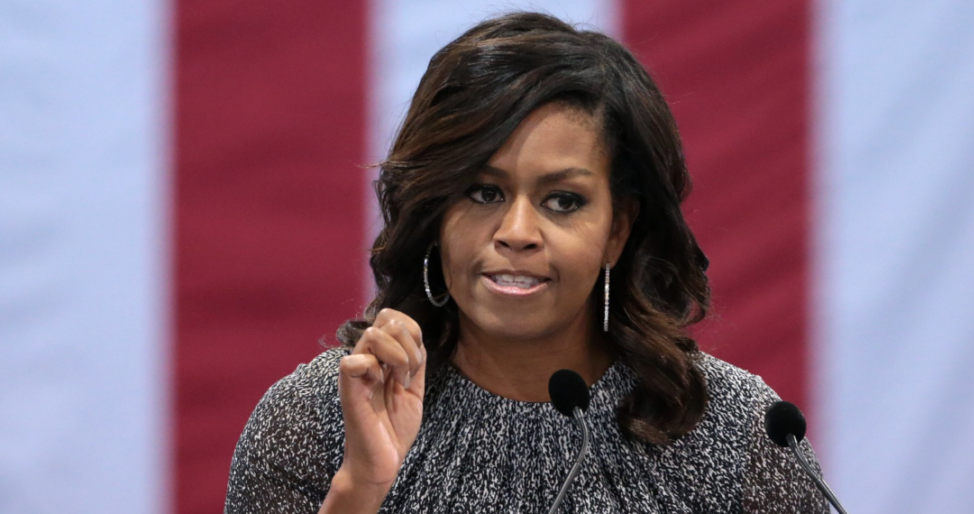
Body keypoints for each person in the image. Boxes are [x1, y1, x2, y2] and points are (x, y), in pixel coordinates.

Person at [225, 12, 828, 514]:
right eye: (483, 193)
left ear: (617, 230)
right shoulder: (313, 421)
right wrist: (361, 488)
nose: (516, 233)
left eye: (562, 201)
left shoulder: (738, 431)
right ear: (434, 212)